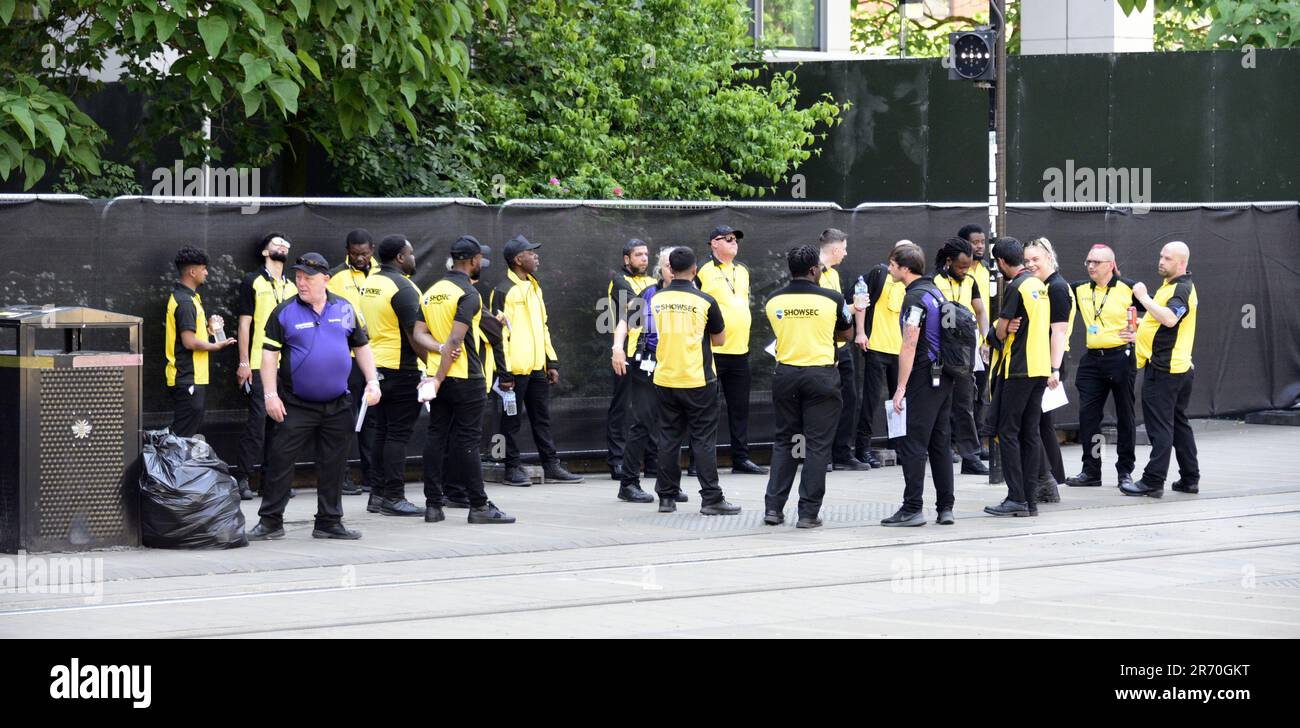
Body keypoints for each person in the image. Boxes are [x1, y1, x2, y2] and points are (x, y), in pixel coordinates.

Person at [247, 253, 381, 541]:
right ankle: (270, 521)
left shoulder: (345, 309)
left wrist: (373, 381)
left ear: (325, 279)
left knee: (334, 464)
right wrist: (270, 395)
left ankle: (329, 522)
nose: (301, 282)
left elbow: (362, 347)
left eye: (308, 278)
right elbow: (268, 356)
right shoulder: (283, 312)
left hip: (337, 403)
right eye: (298, 277)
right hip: (295, 403)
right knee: (280, 460)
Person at [419, 236, 515, 524]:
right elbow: (455, 340)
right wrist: (439, 375)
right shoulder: (469, 294)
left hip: (440, 377)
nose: (480, 266)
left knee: (436, 437)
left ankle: (433, 506)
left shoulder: (432, 291)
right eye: (479, 262)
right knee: (469, 442)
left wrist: (437, 359)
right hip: (465, 377)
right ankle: (479, 506)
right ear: (473, 261)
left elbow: (418, 333)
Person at [358, 235, 452, 516]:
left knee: (382, 433)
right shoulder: (403, 287)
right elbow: (415, 335)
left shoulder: (371, 282)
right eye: (410, 254)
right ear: (400, 258)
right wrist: (435, 370)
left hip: (376, 368)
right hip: (401, 369)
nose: (413, 258)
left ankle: (377, 495)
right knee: (397, 434)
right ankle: (394, 497)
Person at [763, 245, 852, 528]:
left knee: (786, 442)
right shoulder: (833, 299)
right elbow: (846, 333)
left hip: (786, 375)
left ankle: (773, 509)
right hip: (821, 377)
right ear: (815, 269)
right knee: (816, 446)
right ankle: (808, 514)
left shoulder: (773, 300)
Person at [650, 247, 742, 516]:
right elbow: (719, 339)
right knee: (703, 440)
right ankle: (711, 498)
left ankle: (666, 498)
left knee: (668, 438)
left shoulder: (656, 299)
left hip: (665, 377)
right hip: (698, 379)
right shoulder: (705, 300)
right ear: (694, 270)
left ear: (670, 268)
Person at [488, 235, 584, 486]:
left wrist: (551, 361)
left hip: (537, 368)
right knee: (510, 419)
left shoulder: (534, 286)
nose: (536, 256)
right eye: (531, 252)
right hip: (514, 371)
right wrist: (504, 372)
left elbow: (543, 327)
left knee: (542, 417)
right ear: (518, 259)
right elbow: (498, 335)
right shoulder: (502, 290)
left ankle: (551, 465)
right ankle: (511, 467)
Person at [880, 242, 957, 527]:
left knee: (912, 442)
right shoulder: (935, 291)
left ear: (904, 268)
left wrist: (900, 388)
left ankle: (912, 507)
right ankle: (945, 507)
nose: (889, 269)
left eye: (891, 265)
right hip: (944, 375)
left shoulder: (913, 298)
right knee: (940, 441)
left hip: (924, 376)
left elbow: (910, 343)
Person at [1122, 241, 1199, 497]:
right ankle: (1190, 478)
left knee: (1160, 427)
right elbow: (1163, 322)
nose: (1161, 261)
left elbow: (1170, 318)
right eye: (1161, 256)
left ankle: (1153, 481)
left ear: (1182, 263)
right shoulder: (1171, 287)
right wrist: (1141, 327)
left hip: (1165, 370)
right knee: (1178, 422)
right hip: (1177, 367)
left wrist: (1143, 297)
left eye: (1167, 258)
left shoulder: (1181, 289)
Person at [611, 246, 688, 504]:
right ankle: (628, 483)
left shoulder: (693, 294)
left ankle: (670, 485)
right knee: (643, 421)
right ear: (661, 269)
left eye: (677, 266)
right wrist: (617, 348)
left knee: (673, 424)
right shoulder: (649, 293)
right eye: (668, 266)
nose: (673, 271)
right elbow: (624, 321)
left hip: (679, 364)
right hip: (649, 363)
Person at [984, 237, 1051, 517]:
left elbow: (1000, 333)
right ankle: (1030, 500)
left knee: (1007, 431)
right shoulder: (1038, 284)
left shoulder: (1016, 287)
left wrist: (999, 329)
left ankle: (1016, 497)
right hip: (1040, 368)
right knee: (1029, 432)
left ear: (1000, 263)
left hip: (1018, 368)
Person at [1067, 244, 1141, 490]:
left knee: (1125, 416)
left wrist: (1138, 329)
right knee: (1089, 417)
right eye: (1088, 262)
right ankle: (1091, 471)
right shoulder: (1079, 289)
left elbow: (1158, 314)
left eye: (1096, 262)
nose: (1090, 266)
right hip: (1092, 361)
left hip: (1120, 358)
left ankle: (1125, 472)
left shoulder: (1128, 288)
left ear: (1110, 265)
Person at [694, 225, 766, 475]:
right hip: (712, 352)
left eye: (736, 239)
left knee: (739, 407)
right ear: (714, 243)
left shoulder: (742, 271)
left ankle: (741, 458)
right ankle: (699, 461)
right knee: (706, 409)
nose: (734, 242)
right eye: (728, 239)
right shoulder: (702, 271)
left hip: (740, 351)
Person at [235, 233, 293, 501]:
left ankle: (272, 481)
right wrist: (244, 362)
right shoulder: (253, 281)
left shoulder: (293, 286)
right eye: (277, 243)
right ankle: (242, 478)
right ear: (264, 252)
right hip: (259, 364)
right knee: (257, 424)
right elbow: (245, 324)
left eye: (286, 244)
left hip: (288, 366)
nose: (283, 246)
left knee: (282, 426)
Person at [932, 237, 990, 477]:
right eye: (961, 266)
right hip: (940, 351)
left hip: (964, 351)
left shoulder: (970, 281)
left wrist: (985, 340)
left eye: (967, 267)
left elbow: (980, 311)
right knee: (939, 404)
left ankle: (970, 457)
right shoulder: (934, 281)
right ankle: (940, 451)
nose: (965, 271)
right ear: (948, 261)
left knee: (965, 404)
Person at [328, 228, 379, 496]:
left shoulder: (385, 274)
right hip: (346, 357)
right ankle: (343, 475)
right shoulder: (335, 276)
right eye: (354, 253)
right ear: (347, 250)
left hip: (378, 355)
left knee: (371, 419)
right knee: (344, 418)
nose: (360, 258)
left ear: (372, 249)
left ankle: (372, 475)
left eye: (364, 253)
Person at [1023, 237, 1075, 504]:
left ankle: (1050, 480)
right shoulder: (1045, 286)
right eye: (1027, 260)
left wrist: (1053, 369)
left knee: (1040, 423)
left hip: (1048, 364)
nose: (1031, 264)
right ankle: (1052, 478)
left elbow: (1059, 331)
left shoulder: (1055, 288)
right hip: (1044, 361)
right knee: (1042, 424)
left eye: (1036, 259)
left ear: (1049, 259)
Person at [164, 246, 236, 437]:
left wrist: (210, 330)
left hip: (191, 377)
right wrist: (216, 345)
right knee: (182, 437)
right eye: (203, 268)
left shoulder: (190, 298)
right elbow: (188, 342)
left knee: (185, 434)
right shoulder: (186, 301)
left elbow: (190, 336)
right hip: (187, 376)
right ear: (192, 271)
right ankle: (172, 467)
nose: (207, 272)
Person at [854, 239, 910, 468]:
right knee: (871, 399)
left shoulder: (910, 282)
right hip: (876, 346)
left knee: (898, 400)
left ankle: (897, 447)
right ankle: (862, 448)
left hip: (899, 349)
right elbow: (860, 301)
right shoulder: (879, 274)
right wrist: (860, 332)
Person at [817, 229, 869, 471]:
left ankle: (842, 453)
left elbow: (840, 312)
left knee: (849, 398)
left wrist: (853, 308)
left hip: (841, 344)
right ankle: (822, 454)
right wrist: (854, 305)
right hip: (821, 347)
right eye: (844, 248)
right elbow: (823, 309)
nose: (846, 253)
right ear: (835, 248)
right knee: (825, 402)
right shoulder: (813, 271)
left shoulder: (835, 275)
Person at [606, 239, 658, 480]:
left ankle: (651, 461)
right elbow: (635, 311)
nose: (644, 259)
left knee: (649, 408)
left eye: (646, 254)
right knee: (623, 407)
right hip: (626, 353)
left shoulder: (652, 282)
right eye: (638, 255)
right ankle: (617, 460)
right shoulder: (619, 280)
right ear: (627, 259)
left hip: (650, 354)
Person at [959, 223, 993, 459]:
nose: (980, 246)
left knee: (981, 392)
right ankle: (957, 443)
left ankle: (979, 442)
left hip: (982, 340)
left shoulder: (989, 271)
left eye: (983, 241)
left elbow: (984, 310)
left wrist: (986, 339)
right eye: (975, 242)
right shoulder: (955, 271)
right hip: (959, 341)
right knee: (961, 394)